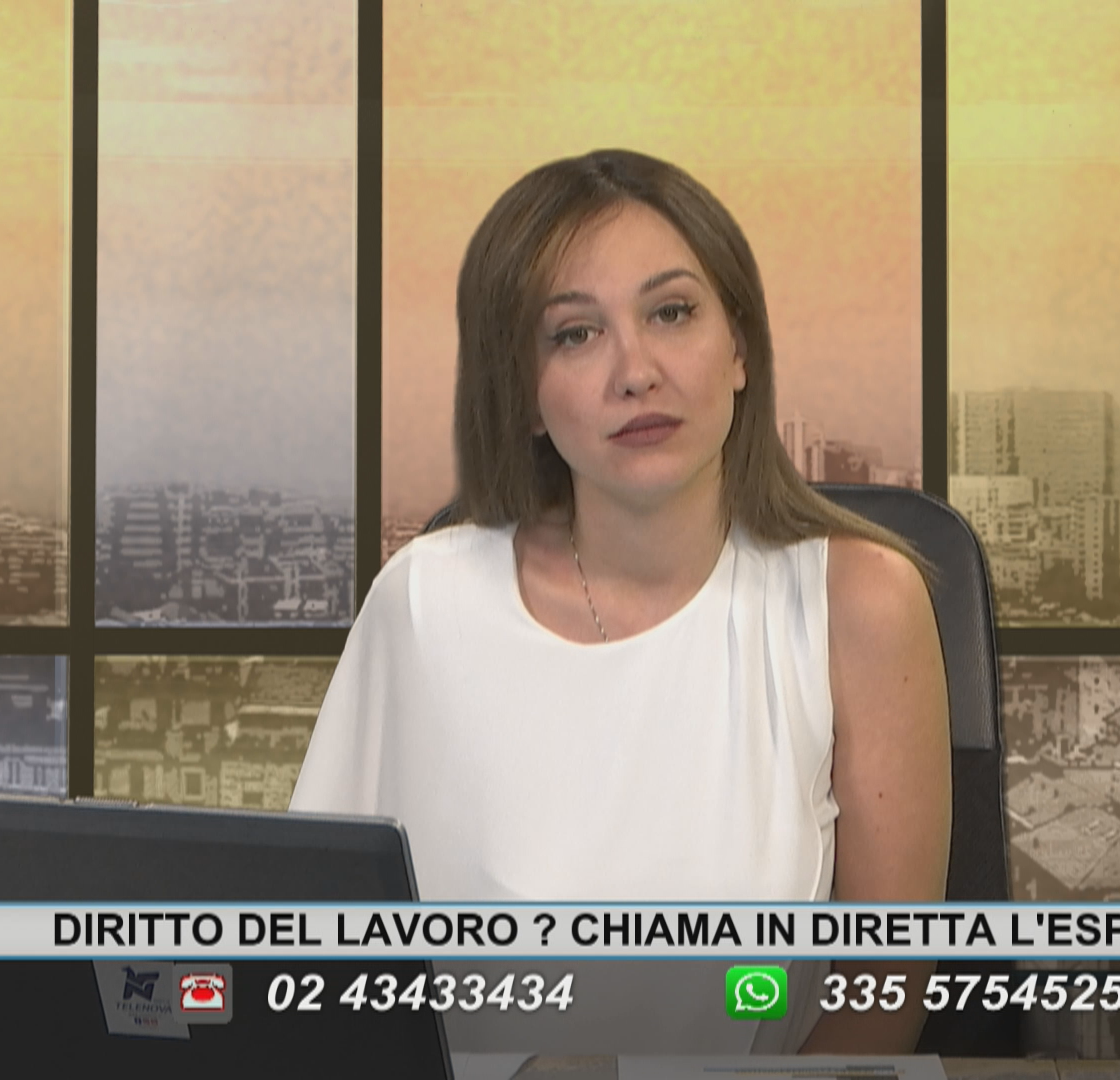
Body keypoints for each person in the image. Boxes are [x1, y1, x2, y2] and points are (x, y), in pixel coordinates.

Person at [289, 148, 951, 1055]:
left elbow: (878, 1001)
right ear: (525, 397)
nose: (635, 371)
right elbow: (319, 962)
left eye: (671, 312)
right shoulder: (424, 602)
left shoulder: (860, 603)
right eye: (574, 334)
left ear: (740, 348)